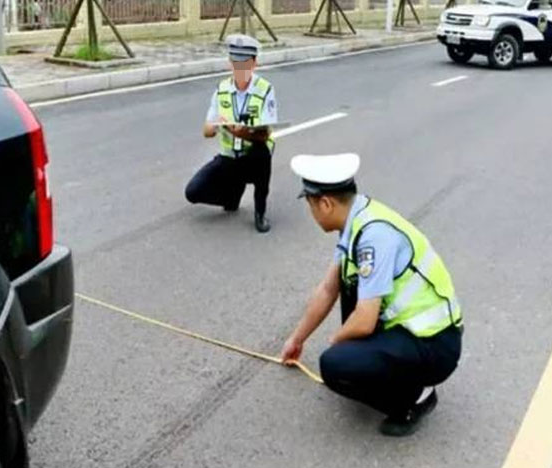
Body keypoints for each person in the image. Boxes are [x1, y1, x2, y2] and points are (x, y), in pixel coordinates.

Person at [281, 153, 464, 436]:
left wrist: (336, 346)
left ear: (326, 203)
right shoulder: (358, 218)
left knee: (333, 365)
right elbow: (328, 289)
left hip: (436, 344)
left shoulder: (373, 237)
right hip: (409, 331)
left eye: (310, 205)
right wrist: (296, 340)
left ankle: (415, 399)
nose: (311, 212)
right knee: (348, 284)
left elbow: (364, 320)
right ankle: (375, 365)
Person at [184, 34, 277, 233]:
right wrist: (217, 125)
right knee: (192, 192)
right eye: (236, 64)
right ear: (230, 64)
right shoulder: (222, 90)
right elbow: (206, 131)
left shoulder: (265, 90)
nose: (240, 69)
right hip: (229, 158)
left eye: (245, 64)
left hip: (253, 156)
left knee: (262, 154)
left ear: (254, 64)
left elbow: (265, 134)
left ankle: (260, 213)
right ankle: (231, 197)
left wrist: (244, 134)